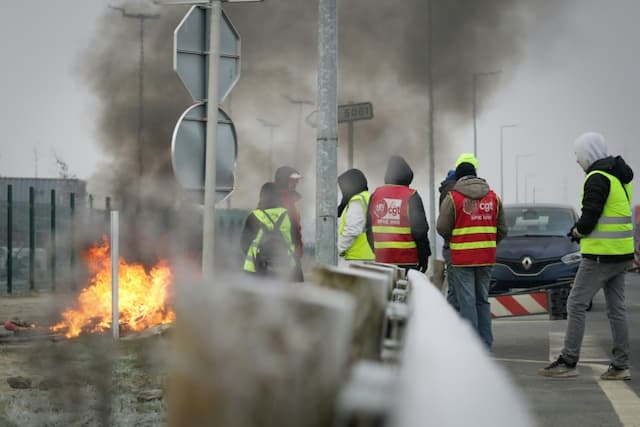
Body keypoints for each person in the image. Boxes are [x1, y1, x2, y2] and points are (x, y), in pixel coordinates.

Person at [539, 132, 634, 379]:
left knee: (575, 303)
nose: (577, 160)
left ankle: (568, 361)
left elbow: (591, 215)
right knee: (616, 309)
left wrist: (578, 231)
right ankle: (621, 365)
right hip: (622, 253)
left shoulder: (596, 178)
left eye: (578, 155)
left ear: (588, 153)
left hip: (601, 255)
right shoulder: (619, 178)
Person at [437, 153, 507, 350]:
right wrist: (488, 242)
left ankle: (471, 348)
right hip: (486, 257)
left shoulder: (453, 198)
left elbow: (442, 228)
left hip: (462, 258)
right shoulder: (493, 197)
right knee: (482, 300)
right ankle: (486, 344)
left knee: (467, 301)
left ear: (458, 178)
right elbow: (503, 229)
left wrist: (456, 239)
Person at [368, 155, 431, 273]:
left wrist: (377, 251)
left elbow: (368, 229)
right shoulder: (411, 196)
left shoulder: (375, 195)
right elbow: (420, 232)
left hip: (382, 260)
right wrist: (424, 258)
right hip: (407, 260)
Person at [241, 182, 303, 281]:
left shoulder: (254, 217)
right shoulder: (288, 216)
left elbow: (244, 244)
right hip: (287, 268)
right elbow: (296, 242)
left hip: (257, 270)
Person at [337, 168, 375, 262]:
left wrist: (336, 251)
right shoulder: (367, 197)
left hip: (357, 259)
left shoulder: (357, 201)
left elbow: (352, 231)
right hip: (367, 257)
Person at [438, 169, 459, 311]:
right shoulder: (455, 194)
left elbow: (442, 226)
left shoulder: (445, 192)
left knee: (454, 288)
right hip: (461, 247)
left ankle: (452, 321)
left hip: (451, 246)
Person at [274, 166, 304, 261]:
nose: (296, 183)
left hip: (289, 254)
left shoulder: (289, 200)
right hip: (281, 255)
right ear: (283, 180)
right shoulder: (277, 200)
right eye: (292, 180)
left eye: (296, 180)